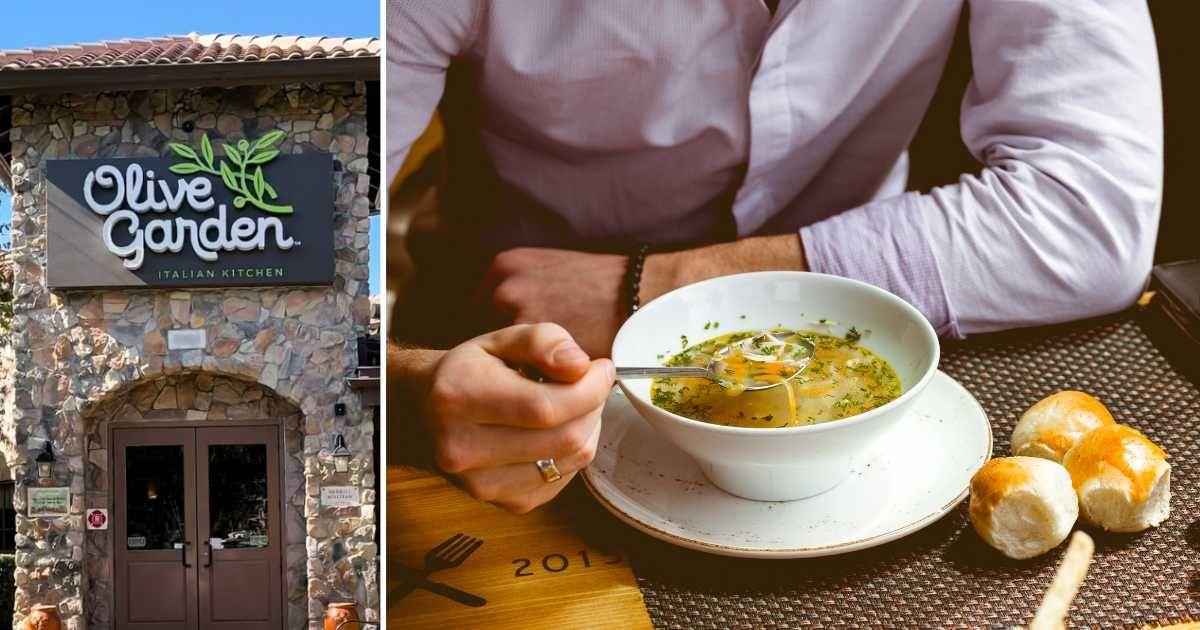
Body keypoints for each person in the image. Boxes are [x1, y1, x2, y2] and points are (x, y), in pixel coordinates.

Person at [388, 1, 1163, 512]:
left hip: (872, 410)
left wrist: (663, 286)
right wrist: (406, 394)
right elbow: (269, 272)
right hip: (494, 385)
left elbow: (1090, 209)